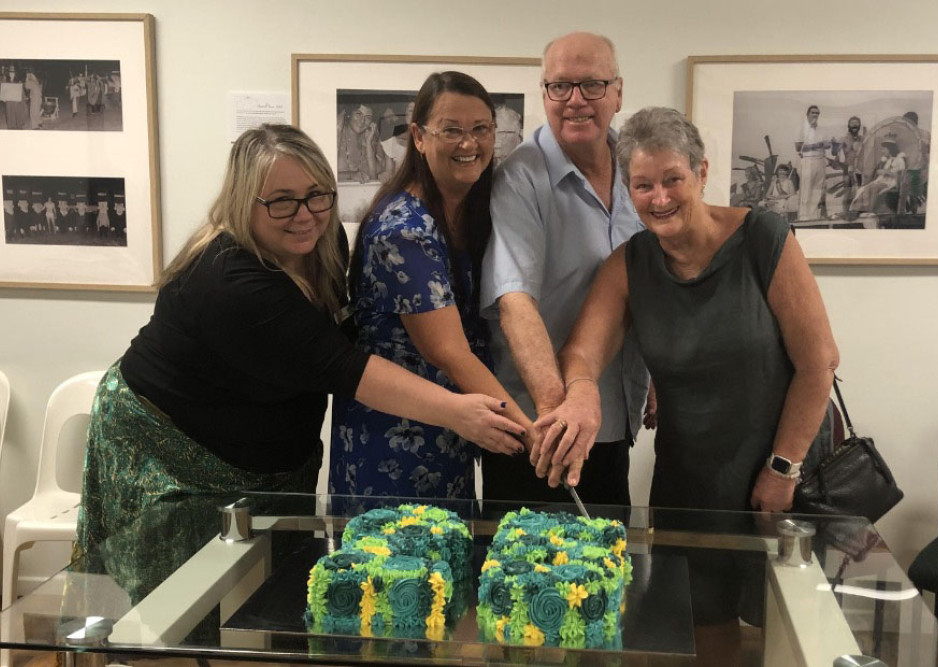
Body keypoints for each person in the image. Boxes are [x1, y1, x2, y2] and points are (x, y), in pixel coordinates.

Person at [75, 124, 525, 555]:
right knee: (172, 594)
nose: (305, 215)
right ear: (242, 200)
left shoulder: (317, 246)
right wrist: (458, 412)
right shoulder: (231, 280)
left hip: (265, 459)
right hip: (172, 450)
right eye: (282, 202)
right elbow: (342, 367)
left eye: (316, 195)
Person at [533, 107, 838, 665]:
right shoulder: (631, 263)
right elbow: (582, 350)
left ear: (700, 172)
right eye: (643, 185)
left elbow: (818, 365)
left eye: (672, 178)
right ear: (630, 191)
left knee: (792, 622)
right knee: (701, 625)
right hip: (690, 475)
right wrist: (579, 392)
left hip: (779, 465)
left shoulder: (763, 237)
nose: (660, 197)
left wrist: (781, 469)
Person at [329, 72, 533, 500]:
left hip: (450, 426)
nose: (469, 144)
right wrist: (531, 436)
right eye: (452, 130)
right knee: (396, 561)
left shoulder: (469, 210)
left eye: (481, 129)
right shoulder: (405, 229)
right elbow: (450, 353)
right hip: (398, 436)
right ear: (419, 137)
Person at [480, 31, 648, 505]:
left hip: (613, 419)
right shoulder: (520, 178)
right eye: (560, 86)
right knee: (524, 576)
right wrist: (561, 419)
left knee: (605, 568)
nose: (576, 101)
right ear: (544, 93)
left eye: (592, 84)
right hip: (538, 429)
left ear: (618, 92)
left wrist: (651, 369)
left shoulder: (636, 168)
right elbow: (515, 304)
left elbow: (644, 280)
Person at [850, 140, 906, 216]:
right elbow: (883, 171)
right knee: (866, 188)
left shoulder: (900, 160)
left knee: (874, 188)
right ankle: (861, 209)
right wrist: (881, 171)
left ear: (890, 149)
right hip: (882, 180)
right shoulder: (888, 160)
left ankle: (870, 210)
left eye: (884, 149)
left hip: (890, 182)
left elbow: (901, 174)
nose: (882, 151)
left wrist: (886, 172)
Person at [337, 103, 389, 184]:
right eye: (358, 114)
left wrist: (368, 144)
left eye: (368, 117)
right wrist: (350, 175)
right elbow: (324, 175)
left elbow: (373, 178)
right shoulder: (337, 134)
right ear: (348, 115)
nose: (362, 121)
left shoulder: (370, 139)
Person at [795, 105, 830, 221]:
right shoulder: (801, 129)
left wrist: (829, 144)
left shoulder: (822, 130)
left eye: (817, 113)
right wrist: (817, 145)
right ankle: (804, 217)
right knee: (806, 189)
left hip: (820, 160)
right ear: (807, 114)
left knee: (817, 189)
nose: (815, 115)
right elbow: (798, 147)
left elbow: (826, 145)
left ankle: (813, 216)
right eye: (813, 113)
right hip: (807, 161)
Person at [837, 116, 865, 219]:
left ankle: (858, 215)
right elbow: (837, 155)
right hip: (847, 170)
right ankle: (845, 214)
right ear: (848, 126)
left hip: (860, 170)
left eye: (856, 123)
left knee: (860, 193)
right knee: (847, 193)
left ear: (859, 126)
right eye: (852, 123)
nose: (854, 125)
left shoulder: (863, 139)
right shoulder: (843, 139)